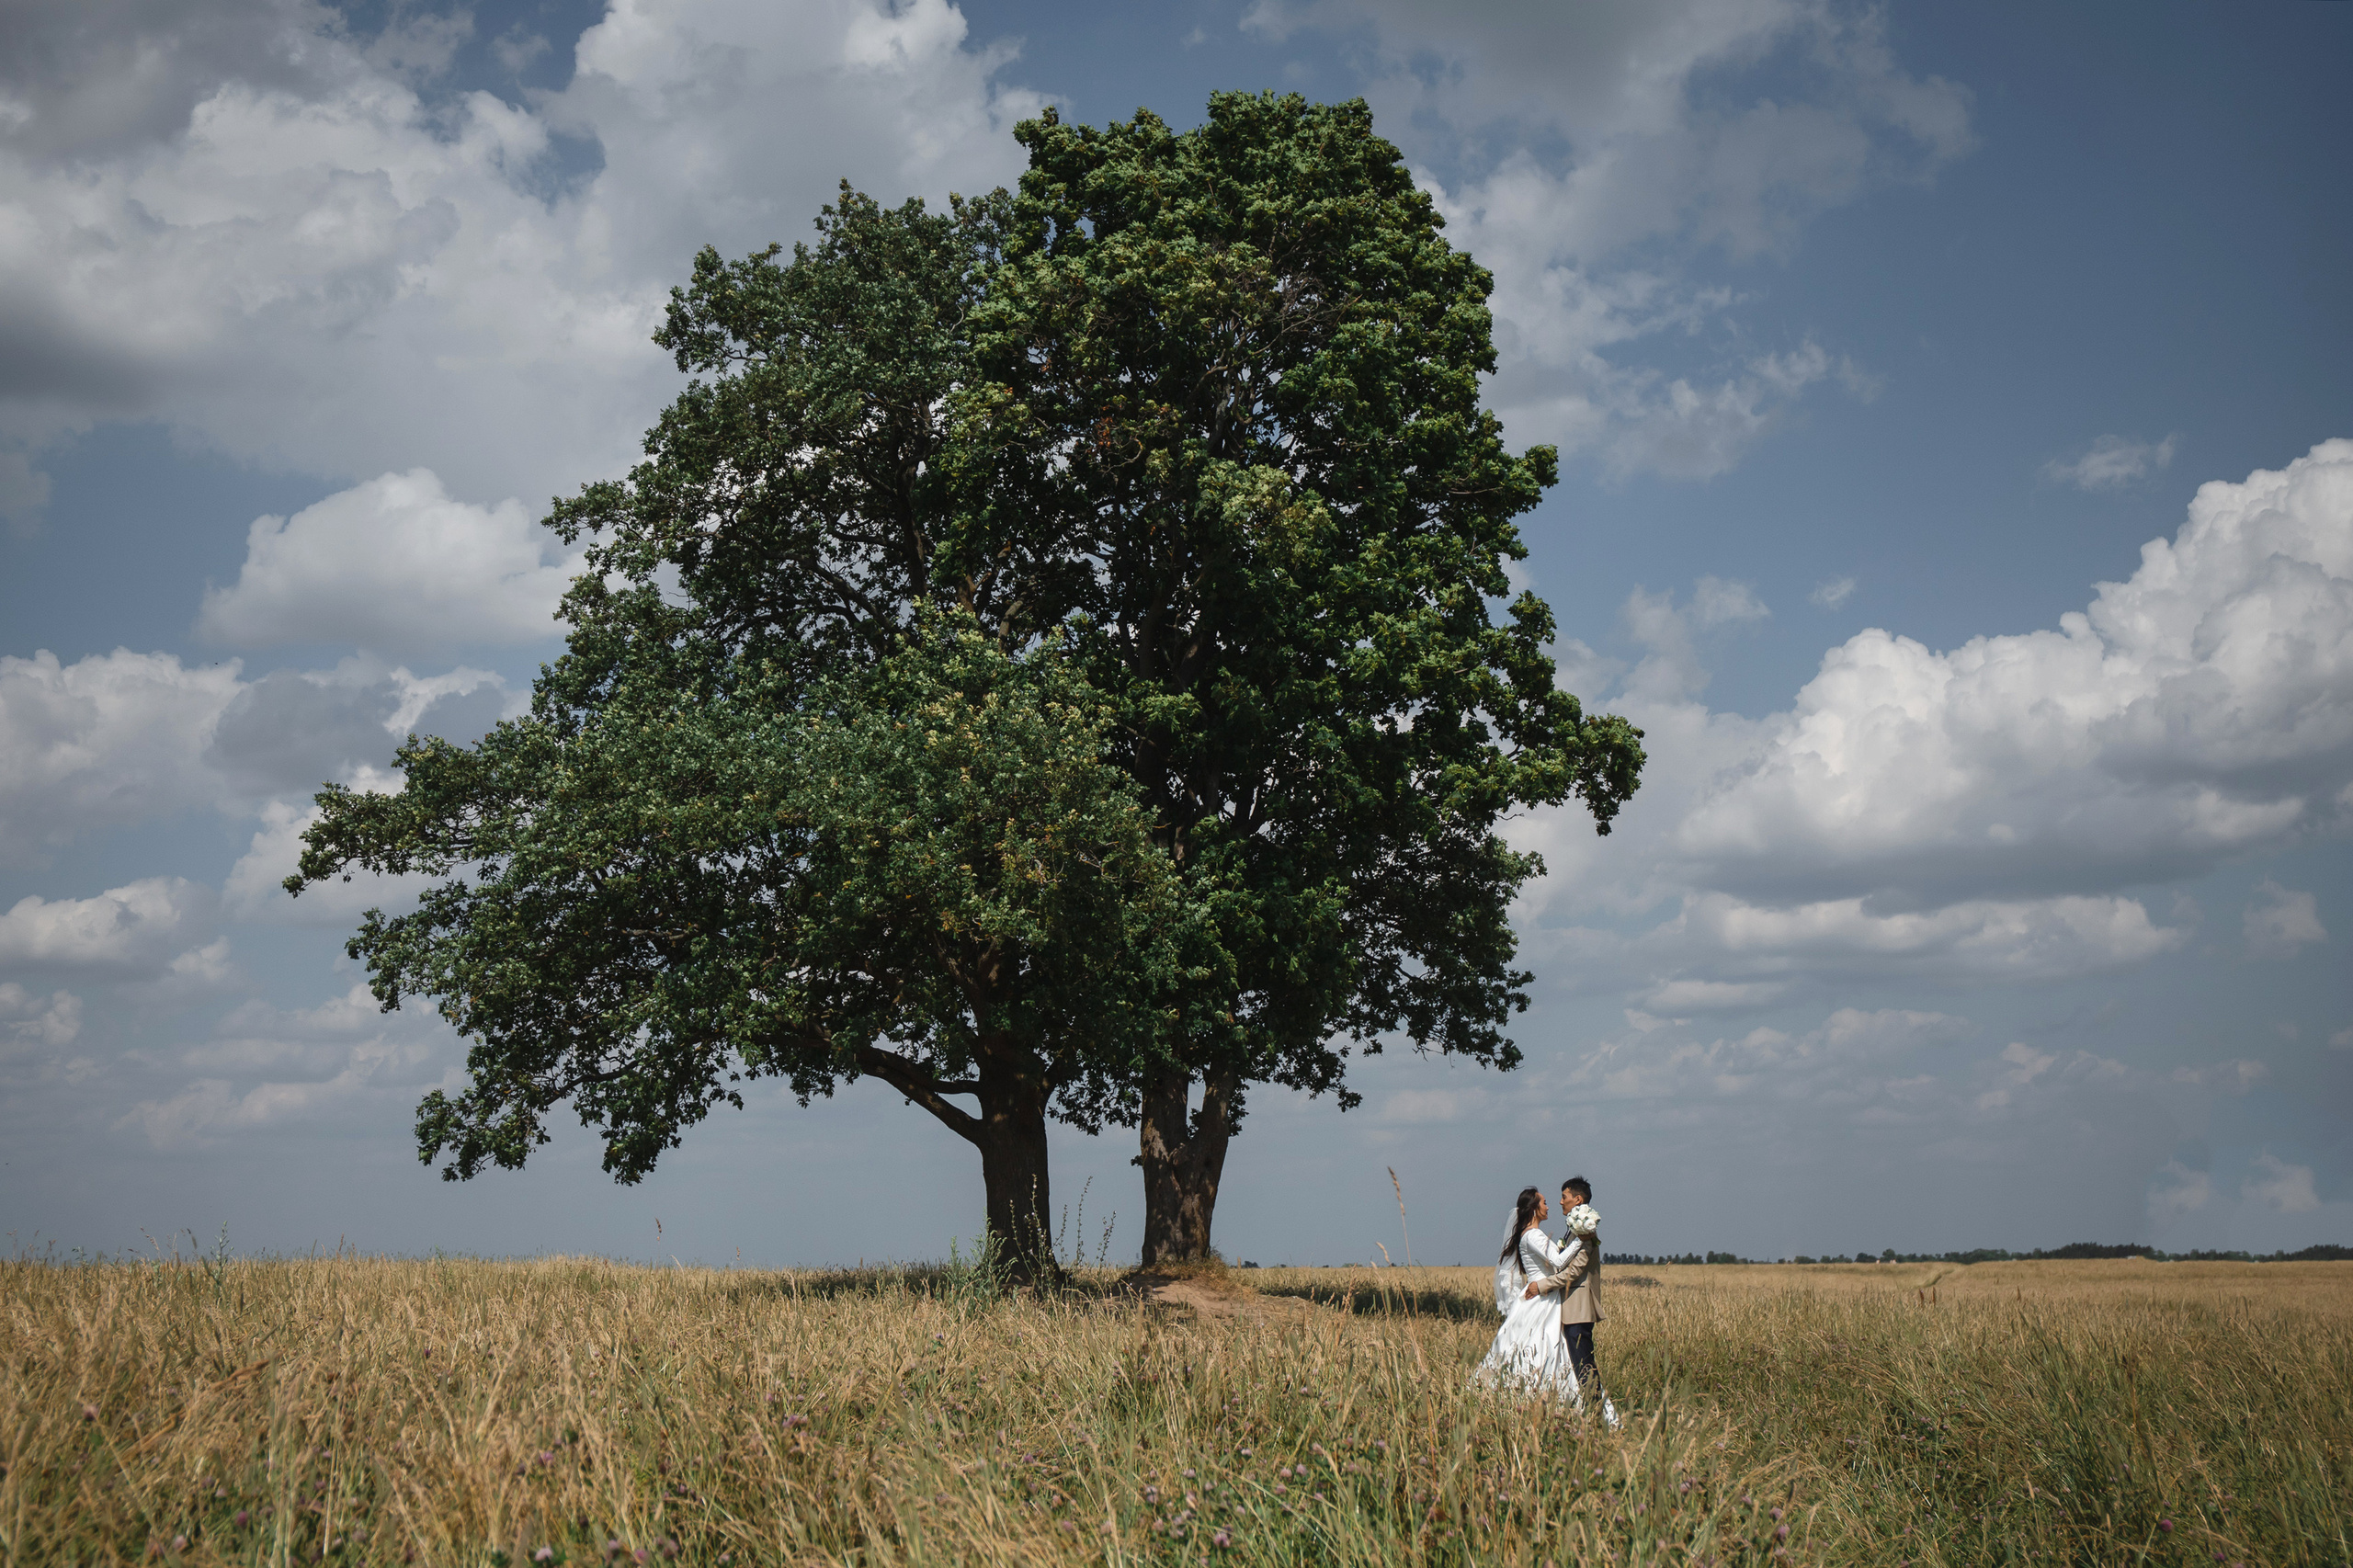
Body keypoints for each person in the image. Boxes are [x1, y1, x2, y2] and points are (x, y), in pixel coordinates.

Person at [1523, 1175, 1620, 1427]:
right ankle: (1591, 1413)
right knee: (1578, 1365)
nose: (1560, 1202)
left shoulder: (1585, 1228)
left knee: (1584, 1365)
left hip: (1579, 1309)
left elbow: (1573, 1272)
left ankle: (1598, 1417)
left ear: (1577, 1199)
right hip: (1570, 1308)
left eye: (1564, 1197)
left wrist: (1541, 1286)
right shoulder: (1574, 1228)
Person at [1472, 1186, 1584, 1403]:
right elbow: (1559, 1262)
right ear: (1534, 1209)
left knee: (1536, 1345)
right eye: (1544, 1203)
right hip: (1541, 1299)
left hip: (1543, 1295)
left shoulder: (1531, 1234)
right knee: (1541, 1345)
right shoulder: (1533, 1235)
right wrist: (1582, 1240)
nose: (1548, 1206)